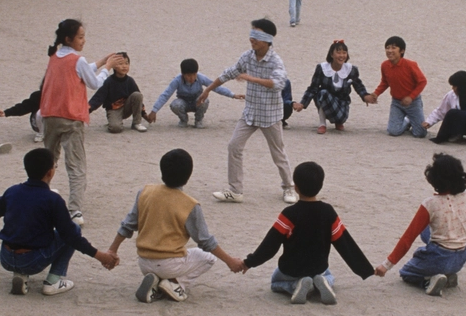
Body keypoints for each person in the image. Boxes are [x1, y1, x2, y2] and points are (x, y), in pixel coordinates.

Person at [0, 148, 118, 297]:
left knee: (23, 230)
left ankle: (21, 275)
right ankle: (53, 281)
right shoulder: (52, 200)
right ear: (50, 172)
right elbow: (70, 236)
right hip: (32, 260)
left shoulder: (13, 191)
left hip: (6, 257)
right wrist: (100, 255)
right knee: (73, 228)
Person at [107, 148, 245, 303]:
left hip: (144, 262)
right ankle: (176, 284)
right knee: (208, 258)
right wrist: (230, 261)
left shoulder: (145, 192)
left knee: (175, 259)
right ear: (188, 176)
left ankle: (155, 285)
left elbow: (127, 225)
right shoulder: (190, 204)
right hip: (170, 264)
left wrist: (112, 250)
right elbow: (206, 241)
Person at [243, 161, 374, 304]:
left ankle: (296, 286)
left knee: (275, 282)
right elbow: (345, 243)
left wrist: (249, 262)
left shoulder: (289, 214)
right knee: (329, 275)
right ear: (321, 186)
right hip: (318, 268)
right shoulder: (328, 212)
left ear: (296, 188)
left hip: (291, 270)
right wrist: (366, 269)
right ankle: (323, 283)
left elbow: (270, 245)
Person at [375, 153, 466, 296]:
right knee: (429, 230)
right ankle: (448, 276)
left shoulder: (430, 204)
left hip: (439, 257)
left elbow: (408, 238)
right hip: (461, 256)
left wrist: (386, 265)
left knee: (406, 272)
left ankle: (430, 281)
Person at [197, 18, 295, 204]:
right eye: (251, 34)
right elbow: (229, 73)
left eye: (257, 36)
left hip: (270, 115)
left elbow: (278, 83)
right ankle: (235, 190)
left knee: (278, 154)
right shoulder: (247, 57)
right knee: (234, 146)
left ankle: (289, 188)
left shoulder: (276, 61)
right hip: (250, 113)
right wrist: (208, 89)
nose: (252, 39)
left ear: (267, 39)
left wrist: (252, 78)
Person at [39, 19, 122, 224]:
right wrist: (107, 68)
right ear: (69, 38)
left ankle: (40, 197)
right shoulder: (77, 60)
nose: (83, 41)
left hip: (50, 115)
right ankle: (75, 211)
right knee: (76, 166)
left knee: (49, 160)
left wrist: (101, 62)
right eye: (81, 37)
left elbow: (80, 70)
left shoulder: (55, 56)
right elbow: (93, 82)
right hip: (71, 117)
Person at [295, 40, 375, 134]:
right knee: (322, 93)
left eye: (344, 53)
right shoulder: (322, 68)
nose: (341, 56)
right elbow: (313, 88)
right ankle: (322, 123)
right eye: (338, 52)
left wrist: (365, 96)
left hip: (342, 103)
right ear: (331, 54)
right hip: (324, 99)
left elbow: (358, 85)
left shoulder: (351, 69)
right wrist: (303, 103)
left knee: (340, 118)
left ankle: (338, 121)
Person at [147, 58, 240, 128]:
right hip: (183, 103)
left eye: (194, 75)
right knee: (175, 105)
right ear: (183, 74)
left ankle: (198, 120)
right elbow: (165, 95)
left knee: (205, 101)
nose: (192, 78)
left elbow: (215, 87)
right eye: (188, 75)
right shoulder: (177, 80)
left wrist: (232, 95)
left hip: (197, 102)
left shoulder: (201, 77)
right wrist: (154, 111)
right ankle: (184, 120)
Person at [369, 35, 427, 138]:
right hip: (396, 102)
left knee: (420, 133)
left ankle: (411, 119)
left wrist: (411, 97)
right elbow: (385, 82)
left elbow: (422, 81)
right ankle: (407, 120)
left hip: (413, 102)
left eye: (393, 48)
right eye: (387, 48)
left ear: (402, 51)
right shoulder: (385, 65)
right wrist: (376, 93)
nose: (390, 51)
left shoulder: (410, 65)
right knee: (393, 131)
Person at [88, 52, 148, 133]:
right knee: (115, 129)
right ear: (114, 66)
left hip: (126, 108)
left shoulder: (130, 81)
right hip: (113, 110)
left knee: (137, 95)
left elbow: (138, 100)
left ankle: (136, 123)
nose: (124, 66)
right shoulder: (108, 81)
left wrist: (144, 115)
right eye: (120, 64)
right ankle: (112, 122)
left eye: (126, 63)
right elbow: (98, 98)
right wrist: (87, 110)